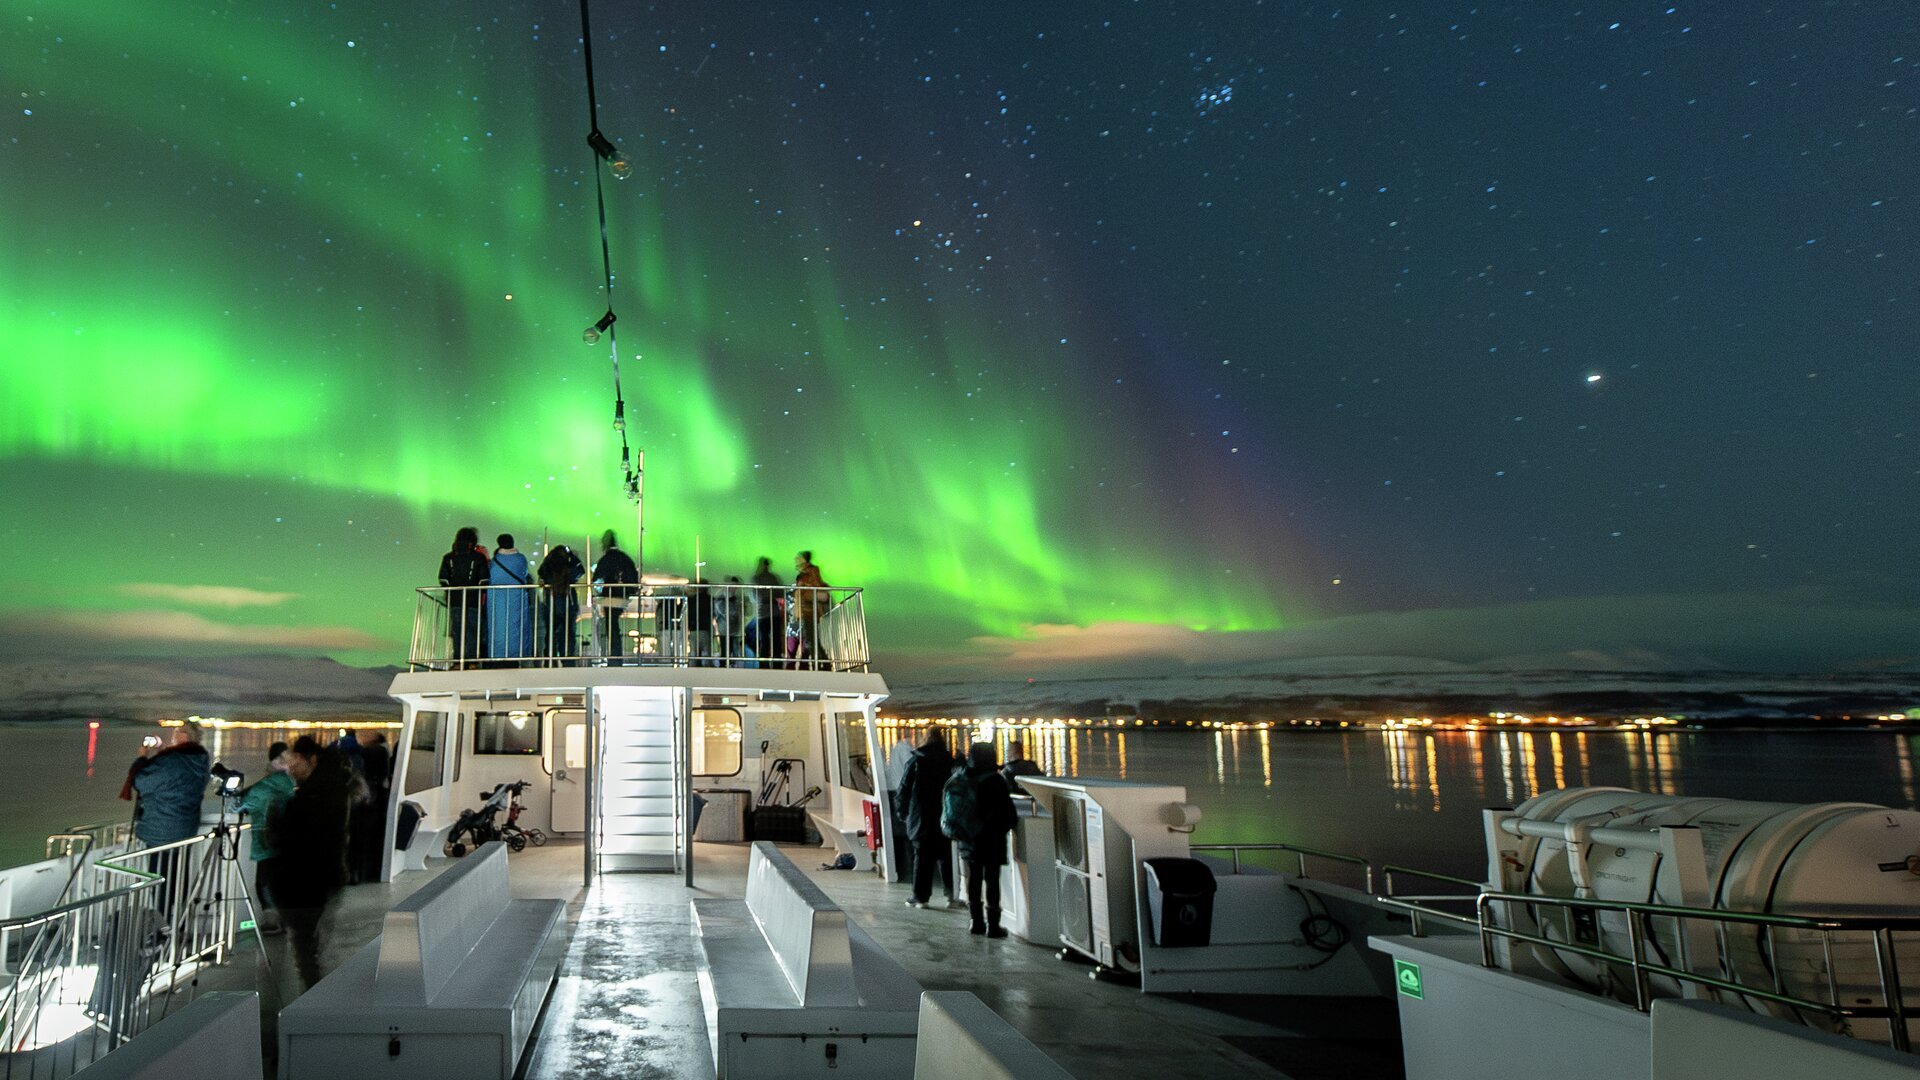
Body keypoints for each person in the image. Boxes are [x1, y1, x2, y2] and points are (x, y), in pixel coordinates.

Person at [273, 736, 352, 990]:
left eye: (296, 761)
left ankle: (310, 1003)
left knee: (307, 952)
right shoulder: (330, 786)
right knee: (311, 949)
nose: (291, 767)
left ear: (312, 759)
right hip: (319, 879)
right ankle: (312, 998)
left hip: (306, 882)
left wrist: (277, 820)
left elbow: (303, 836)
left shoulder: (317, 795)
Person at [119, 723, 212, 911]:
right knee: (179, 875)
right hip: (186, 827)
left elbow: (142, 781)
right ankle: (179, 921)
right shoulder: (199, 758)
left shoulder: (171, 760)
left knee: (160, 878)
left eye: (177, 732)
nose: (173, 736)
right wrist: (163, 753)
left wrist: (142, 758)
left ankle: (165, 926)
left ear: (185, 735)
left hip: (161, 829)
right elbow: (175, 780)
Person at [952, 741, 1019, 937]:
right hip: (992, 839)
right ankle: (993, 925)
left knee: (973, 878)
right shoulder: (996, 781)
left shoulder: (963, 777)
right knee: (992, 880)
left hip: (969, 838)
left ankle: (976, 922)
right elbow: (1008, 813)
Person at [896, 731, 959, 910]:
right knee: (946, 857)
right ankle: (951, 895)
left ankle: (920, 897)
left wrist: (902, 812)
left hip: (921, 816)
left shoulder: (916, 761)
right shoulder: (950, 762)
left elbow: (903, 789)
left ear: (925, 740)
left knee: (922, 857)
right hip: (945, 816)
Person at [239, 743, 296, 934]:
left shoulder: (267, 784)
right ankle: (285, 920)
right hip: (285, 839)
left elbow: (247, 803)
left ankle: (272, 922)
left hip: (266, 839)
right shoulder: (290, 782)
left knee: (263, 882)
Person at [438, 526, 489, 668]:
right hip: (473, 600)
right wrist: (477, 589)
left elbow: (443, 578)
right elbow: (484, 579)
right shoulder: (478, 558)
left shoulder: (448, 558)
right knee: (472, 630)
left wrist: (451, 590)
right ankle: (471, 661)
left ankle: (457, 661)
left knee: (457, 631)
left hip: (455, 600)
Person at [487, 533, 535, 664]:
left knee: (498, 628)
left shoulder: (495, 561)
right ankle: (517, 654)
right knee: (517, 627)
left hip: (497, 600)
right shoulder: (520, 559)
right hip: (517, 597)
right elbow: (524, 574)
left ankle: (497, 655)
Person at [592, 530, 639, 661]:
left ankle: (614, 656)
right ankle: (616, 656)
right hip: (622, 596)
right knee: (614, 625)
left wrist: (600, 591)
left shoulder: (606, 559)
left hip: (610, 597)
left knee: (611, 626)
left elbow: (596, 579)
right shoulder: (624, 558)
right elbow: (633, 578)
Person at [537, 544, 584, 662]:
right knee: (568, 634)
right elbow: (580, 570)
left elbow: (541, 571)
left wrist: (549, 556)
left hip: (551, 605)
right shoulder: (569, 571)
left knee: (551, 634)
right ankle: (567, 659)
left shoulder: (548, 570)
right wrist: (572, 555)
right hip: (568, 605)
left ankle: (550, 659)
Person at [791, 550, 830, 670]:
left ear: (804, 559)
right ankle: (823, 663)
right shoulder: (803, 572)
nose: (796, 560)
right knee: (812, 639)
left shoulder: (811, 571)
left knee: (812, 640)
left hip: (809, 610)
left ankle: (819, 664)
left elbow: (816, 587)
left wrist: (803, 593)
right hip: (804, 611)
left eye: (799, 558)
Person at [745, 556, 782, 667]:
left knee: (764, 640)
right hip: (773, 611)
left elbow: (754, 598)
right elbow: (780, 593)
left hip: (763, 613)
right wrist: (771, 597)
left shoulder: (756, 579)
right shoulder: (773, 578)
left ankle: (764, 664)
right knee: (775, 640)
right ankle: (777, 664)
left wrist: (765, 598)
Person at [687, 576, 716, 665]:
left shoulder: (691, 600)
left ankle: (693, 670)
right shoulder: (710, 599)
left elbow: (689, 614)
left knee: (694, 653)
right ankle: (707, 670)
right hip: (706, 628)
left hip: (694, 629)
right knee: (707, 653)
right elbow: (713, 614)